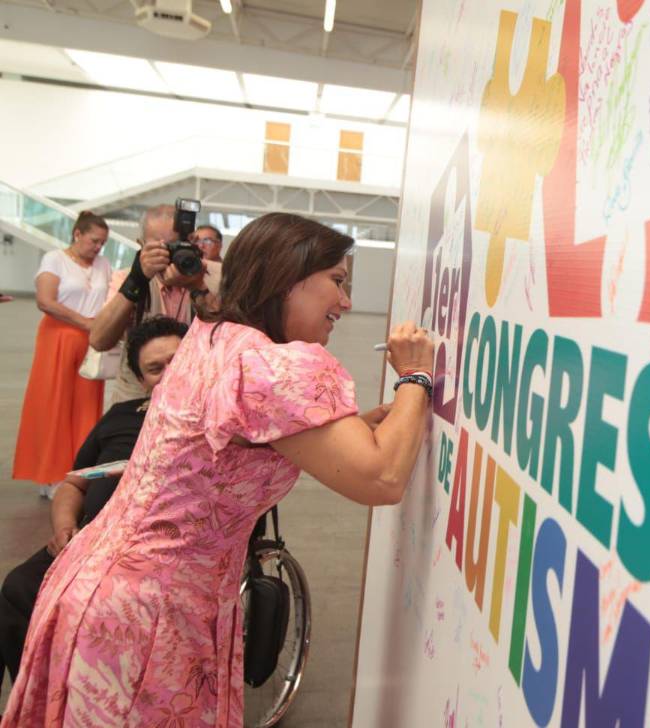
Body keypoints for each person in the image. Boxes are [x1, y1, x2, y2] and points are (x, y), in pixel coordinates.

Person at [3, 212, 433, 726]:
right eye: (337, 282)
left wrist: (348, 429)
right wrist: (416, 375)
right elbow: (381, 478)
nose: (345, 302)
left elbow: (232, 444)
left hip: (101, 586)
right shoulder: (276, 367)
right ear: (285, 278)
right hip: (151, 613)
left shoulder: (214, 339)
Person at [0, 316, 188, 690]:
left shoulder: (213, 423)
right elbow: (74, 483)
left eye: (177, 361)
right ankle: (36, 695)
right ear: (141, 379)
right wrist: (64, 528)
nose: (169, 373)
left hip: (152, 552)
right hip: (87, 541)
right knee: (18, 587)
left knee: (82, 603)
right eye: (155, 368)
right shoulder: (121, 416)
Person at [12, 211, 112, 494]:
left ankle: (79, 473)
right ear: (77, 234)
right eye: (94, 240)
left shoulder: (103, 264)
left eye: (102, 243)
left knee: (86, 408)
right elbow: (45, 301)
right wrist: (85, 322)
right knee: (54, 404)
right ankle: (50, 474)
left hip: (93, 341)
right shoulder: (54, 259)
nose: (98, 247)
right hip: (58, 338)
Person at [90, 204, 221, 404]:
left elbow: (227, 336)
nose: (169, 254)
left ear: (192, 242)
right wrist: (137, 280)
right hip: (137, 400)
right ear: (141, 244)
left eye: (177, 245)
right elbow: (99, 340)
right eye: (160, 247)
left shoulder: (215, 275)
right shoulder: (127, 278)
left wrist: (197, 286)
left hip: (197, 399)